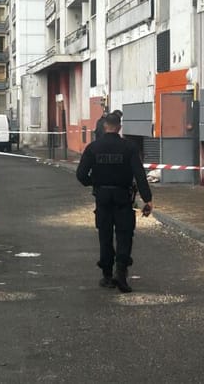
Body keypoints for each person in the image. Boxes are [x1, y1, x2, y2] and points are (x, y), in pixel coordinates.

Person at [76, 113, 152, 293]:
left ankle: (107, 276)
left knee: (105, 235)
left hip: (102, 196)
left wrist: (94, 183)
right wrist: (147, 199)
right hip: (123, 197)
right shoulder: (129, 147)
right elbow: (140, 175)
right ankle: (121, 272)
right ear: (119, 127)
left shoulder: (93, 148)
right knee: (124, 234)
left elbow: (80, 175)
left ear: (104, 127)